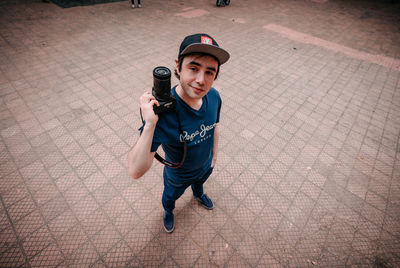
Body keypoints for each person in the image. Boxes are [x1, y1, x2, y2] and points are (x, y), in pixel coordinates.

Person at [128, 33, 230, 233]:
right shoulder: (163, 114)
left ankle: (198, 194)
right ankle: (168, 211)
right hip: (178, 176)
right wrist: (149, 124)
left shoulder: (214, 96)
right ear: (178, 66)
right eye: (193, 68)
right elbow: (135, 171)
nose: (201, 80)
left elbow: (215, 126)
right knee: (170, 197)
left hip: (205, 166)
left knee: (200, 185)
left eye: (210, 72)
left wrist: (214, 156)